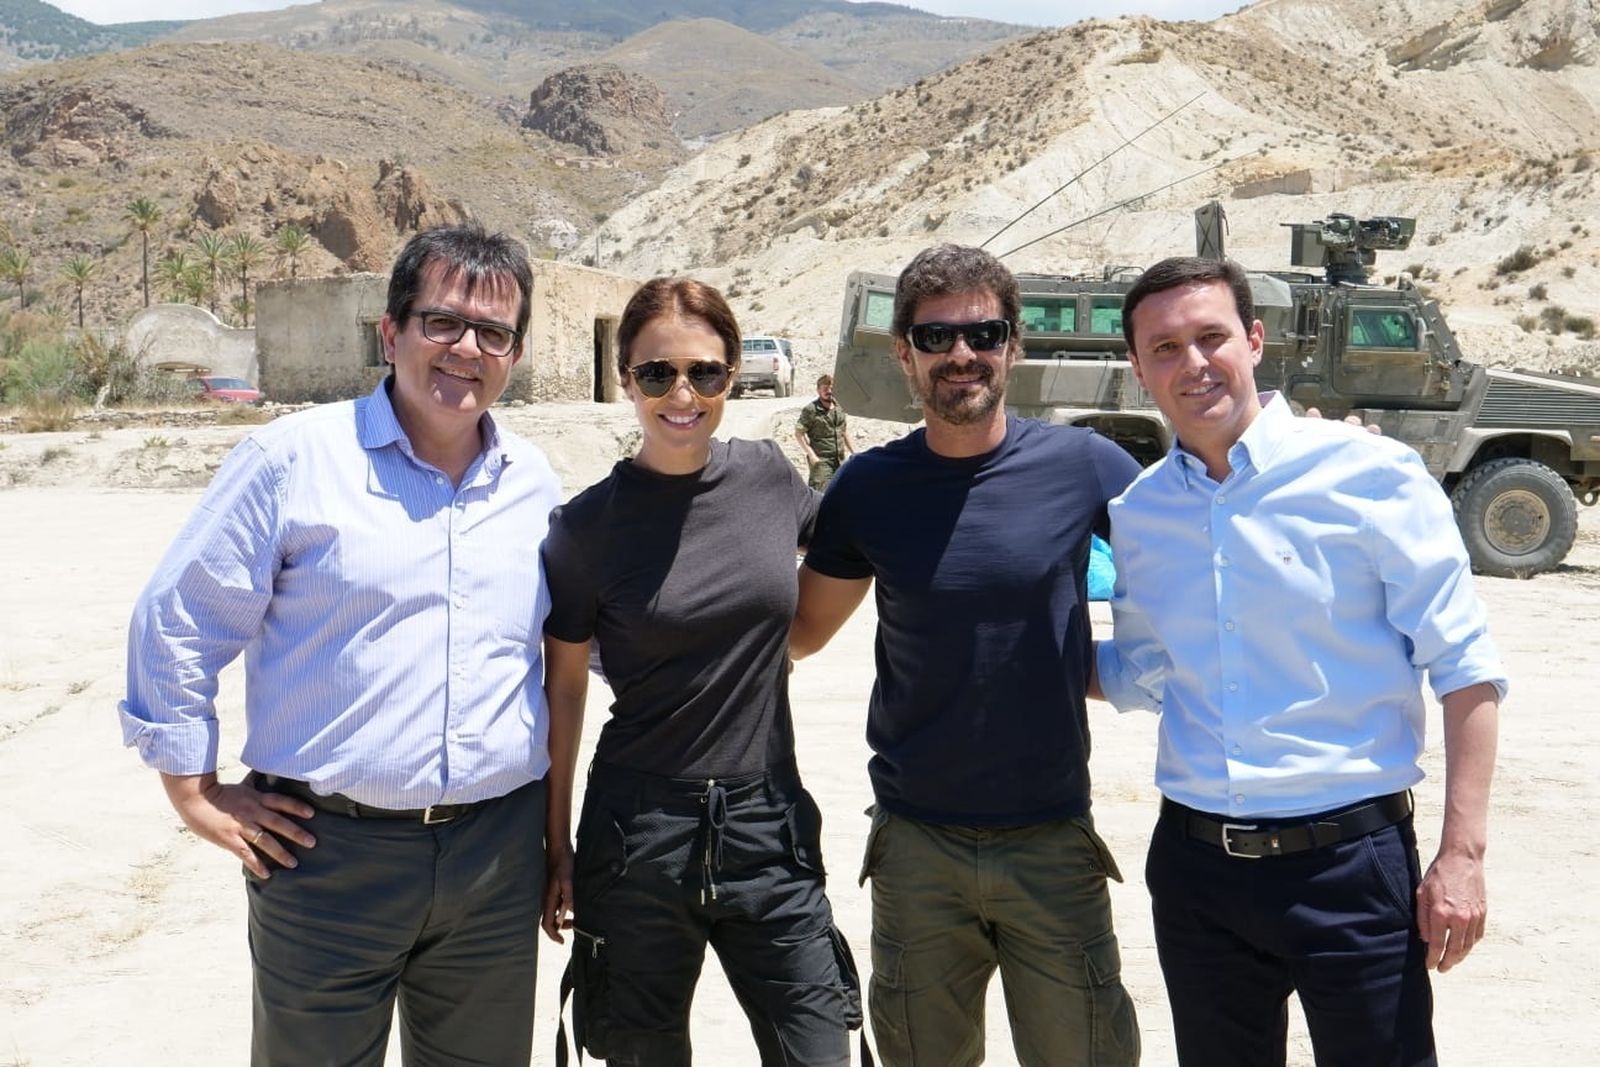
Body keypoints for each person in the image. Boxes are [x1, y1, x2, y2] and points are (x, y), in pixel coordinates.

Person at [118, 223, 561, 1065]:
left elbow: (585, 639)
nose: (466, 347)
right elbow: (178, 617)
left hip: (497, 862)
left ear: (515, 354)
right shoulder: (292, 461)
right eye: (442, 322)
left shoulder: (535, 483)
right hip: (326, 857)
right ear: (390, 333)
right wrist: (193, 788)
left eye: (494, 332)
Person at [1095, 256, 1505, 1067]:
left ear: (1253, 340)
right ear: (1138, 369)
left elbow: (1465, 666)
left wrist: (1463, 854)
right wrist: (986, 655)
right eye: (1165, 347)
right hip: (1196, 873)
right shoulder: (1141, 512)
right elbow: (1142, 670)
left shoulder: (1372, 475)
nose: (1193, 362)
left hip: (1350, 868)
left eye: (1211, 336)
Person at [790, 244, 1142, 1067]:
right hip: (917, 850)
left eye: (983, 332)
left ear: (1014, 344)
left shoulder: (1085, 465)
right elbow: (800, 633)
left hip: (1052, 841)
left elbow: (1203, 568)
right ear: (903, 354)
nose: (962, 354)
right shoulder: (868, 489)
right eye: (936, 336)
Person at [540, 277, 863, 1065]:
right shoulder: (584, 529)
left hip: (769, 822)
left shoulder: (767, 476)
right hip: (637, 833)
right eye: (657, 374)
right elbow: (567, 690)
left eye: (705, 373)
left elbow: (853, 550)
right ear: (626, 380)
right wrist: (554, 843)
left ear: (731, 376)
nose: (681, 393)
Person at [796, 372, 857, 489]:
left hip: (840, 460)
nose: (829, 391)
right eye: (825, 388)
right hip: (821, 462)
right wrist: (812, 455)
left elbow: (843, 432)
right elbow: (799, 434)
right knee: (822, 496)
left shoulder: (839, 407)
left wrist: (854, 452)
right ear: (818, 391)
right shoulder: (811, 410)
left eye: (831, 388)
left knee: (839, 494)